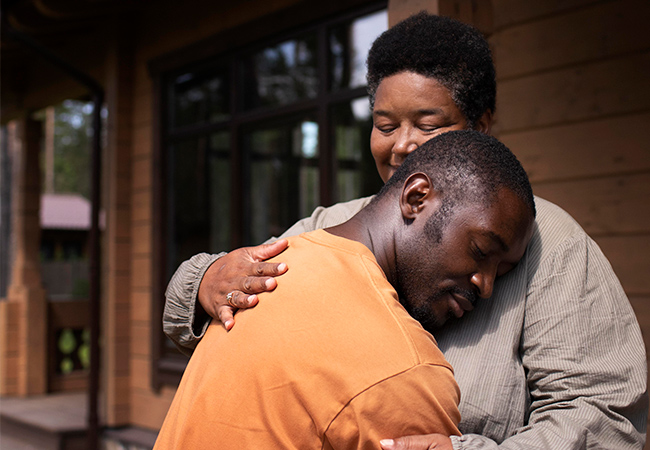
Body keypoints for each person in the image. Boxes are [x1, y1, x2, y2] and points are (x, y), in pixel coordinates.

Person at [163, 12, 648, 450]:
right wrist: (207, 282)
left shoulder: (551, 244)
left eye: (428, 124)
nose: (403, 146)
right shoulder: (328, 228)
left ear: (480, 127)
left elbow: (604, 414)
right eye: (385, 125)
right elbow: (247, 332)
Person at [155, 131, 536, 449]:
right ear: (416, 197)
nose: (486, 286)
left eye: (502, 271)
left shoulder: (277, 271)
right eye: (481, 251)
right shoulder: (405, 372)